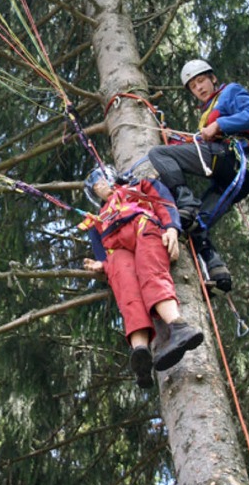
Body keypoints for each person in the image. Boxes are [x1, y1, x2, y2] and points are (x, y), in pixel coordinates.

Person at [80, 164, 204, 389]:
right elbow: (101, 250)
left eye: (100, 180)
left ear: (111, 176)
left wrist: (171, 228)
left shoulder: (139, 186)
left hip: (142, 225)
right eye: (94, 187)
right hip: (116, 250)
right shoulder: (97, 219)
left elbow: (163, 202)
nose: (99, 186)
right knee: (126, 290)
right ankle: (140, 351)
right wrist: (102, 264)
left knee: (151, 271)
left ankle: (178, 326)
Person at [148, 59, 249, 292]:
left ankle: (186, 202)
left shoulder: (230, 92)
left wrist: (220, 124)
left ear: (213, 78)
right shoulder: (206, 115)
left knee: (158, 154)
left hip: (230, 159)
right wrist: (174, 138)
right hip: (231, 179)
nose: (199, 88)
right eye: (193, 86)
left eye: (201, 80)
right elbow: (197, 146)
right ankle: (216, 270)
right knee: (196, 226)